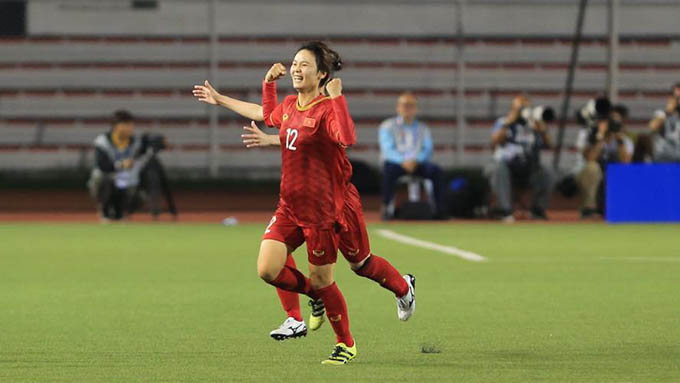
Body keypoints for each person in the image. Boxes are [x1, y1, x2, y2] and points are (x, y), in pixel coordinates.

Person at [192, 42, 415, 365]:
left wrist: (339, 98)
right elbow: (266, 115)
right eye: (295, 63)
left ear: (322, 73)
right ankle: (317, 299)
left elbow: (348, 137)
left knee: (361, 264)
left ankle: (382, 307)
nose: (296, 69)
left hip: (327, 209)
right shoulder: (290, 105)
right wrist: (225, 97)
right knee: (268, 269)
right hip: (291, 206)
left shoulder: (327, 108)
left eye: (304, 65)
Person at [87, 110, 176, 221]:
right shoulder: (103, 142)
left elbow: (148, 140)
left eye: (131, 125)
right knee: (101, 178)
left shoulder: (135, 142)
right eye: (127, 125)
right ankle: (105, 211)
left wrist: (161, 140)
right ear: (117, 126)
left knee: (140, 193)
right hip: (106, 183)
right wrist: (121, 165)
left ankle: (122, 212)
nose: (130, 128)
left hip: (126, 184)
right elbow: (102, 166)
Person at [378, 92, 444, 220]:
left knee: (436, 172)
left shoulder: (423, 128)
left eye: (411, 105)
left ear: (416, 109)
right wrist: (403, 161)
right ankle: (387, 208)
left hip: (418, 163)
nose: (407, 108)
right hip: (396, 163)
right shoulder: (387, 126)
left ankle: (439, 211)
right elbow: (387, 149)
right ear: (398, 107)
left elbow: (427, 148)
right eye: (404, 105)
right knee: (388, 172)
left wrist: (416, 160)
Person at [488, 95, 553, 222]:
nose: (524, 111)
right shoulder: (503, 122)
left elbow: (549, 144)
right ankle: (505, 211)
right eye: (521, 108)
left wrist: (542, 130)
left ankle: (538, 210)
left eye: (526, 107)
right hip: (505, 165)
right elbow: (494, 142)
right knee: (499, 169)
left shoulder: (533, 125)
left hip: (527, 167)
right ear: (512, 109)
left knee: (547, 173)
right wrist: (509, 122)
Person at [574, 101, 633, 218]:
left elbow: (626, 164)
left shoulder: (625, 140)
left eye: (617, 121)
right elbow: (590, 159)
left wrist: (620, 142)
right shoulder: (587, 134)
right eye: (611, 121)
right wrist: (600, 136)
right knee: (593, 168)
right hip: (585, 174)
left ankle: (621, 208)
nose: (613, 124)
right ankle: (588, 209)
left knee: (621, 171)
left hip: (609, 174)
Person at [648, 82, 680, 163]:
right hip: (663, 160)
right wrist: (667, 112)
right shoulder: (661, 113)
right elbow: (652, 127)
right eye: (676, 97)